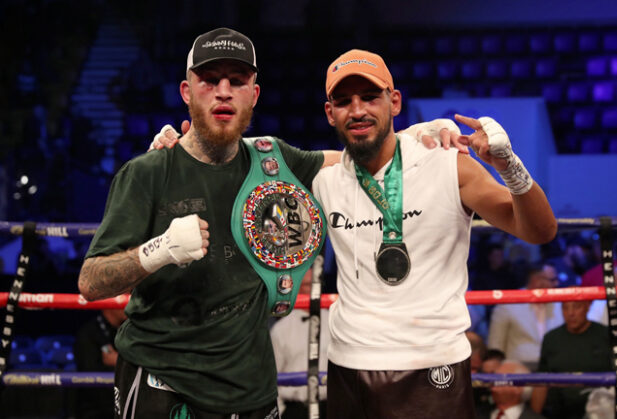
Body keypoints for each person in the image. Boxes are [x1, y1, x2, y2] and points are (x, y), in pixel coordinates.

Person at [80, 28, 461, 418]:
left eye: (238, 81)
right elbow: (91, 282)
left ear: (254, 94)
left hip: (252, 391)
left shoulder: (274, 162)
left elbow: (355, 159)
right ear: (186, 91)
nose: (224, 91)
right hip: (164, 384)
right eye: (210, 80)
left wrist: (412, 137)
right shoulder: (148, 173)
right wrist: (157, 251)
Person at [311, 49, 557, 418]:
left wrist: (508, 165)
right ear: (330, 113)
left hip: (433, 366)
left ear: (394, 102)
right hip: (348, 365)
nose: (358, 110)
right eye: (344, 101)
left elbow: (540, 230)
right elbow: (258, 159)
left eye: (370, 97)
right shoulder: (326, 175)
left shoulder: (447, 164)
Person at [531, 300, 617, 419]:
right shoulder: (551, 339)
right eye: (565, 308)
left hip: (601, 411)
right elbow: (541, 381)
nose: (571, 313)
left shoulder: (608, 335)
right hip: (559, 411)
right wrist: (533, 416)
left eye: (576, 307)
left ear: (587, 306)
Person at [270, 269, 329, 418]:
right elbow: (272, 375)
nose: (311, 290)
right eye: (306, 285)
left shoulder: (334, 322)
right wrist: (281, 411)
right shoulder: (281, 329)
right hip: (295, 409)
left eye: (314, 285)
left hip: (329, 407)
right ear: (297, 289)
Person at [487, 263, 563, 371]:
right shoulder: (508, 305)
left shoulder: (560, 306)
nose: (557, 283)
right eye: (552, 279)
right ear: (538, 281)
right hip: (518, 371)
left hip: (555, 369)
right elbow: (495, 346)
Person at [74, 308, 127, 419]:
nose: (127, 303)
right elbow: (88, 377)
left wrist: (118, 361)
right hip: (95, 409)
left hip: (124, 405)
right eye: (122, 297)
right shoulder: (89, 333)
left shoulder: (130, 332)